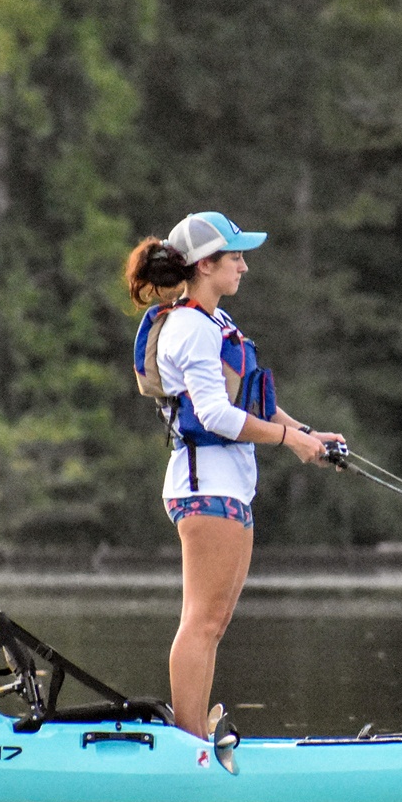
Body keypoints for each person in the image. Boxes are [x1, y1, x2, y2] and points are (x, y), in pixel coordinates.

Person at [125, 212, 345, 746]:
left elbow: (251, 402)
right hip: (205, 489)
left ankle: (194, 736)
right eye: (236, 257)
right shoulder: (190, 328)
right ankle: (190, 743)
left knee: (214, 623)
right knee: (201, 622)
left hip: (227, 489)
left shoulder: (215, 322)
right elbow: (216, 415)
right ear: (205, 265)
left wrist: (308, 435)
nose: (244, 267)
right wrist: (289, 441)